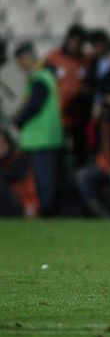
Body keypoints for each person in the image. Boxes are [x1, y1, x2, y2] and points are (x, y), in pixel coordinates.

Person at [12, 41, 64, 216]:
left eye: (20, 61)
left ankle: (47, 214)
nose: (20, 66)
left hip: (43, 138)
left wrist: (18, 120)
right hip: (43, 137)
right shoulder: (43, 76)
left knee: (44, 179)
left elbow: (34, 106)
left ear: (26, 58)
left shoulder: (40, 79)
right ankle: (46, 211)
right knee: (44, 179)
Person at [45, 24, 92, 167]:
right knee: (58, 154)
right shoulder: (54, 58)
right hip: (59, 114)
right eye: (73, 41)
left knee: (80, 152)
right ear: (68, 40)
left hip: (78, 115)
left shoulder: (85, 60)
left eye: (79, 42)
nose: (75, 45)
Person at [0, 127, 37, 216]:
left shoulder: (18, 161)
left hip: (17, 205)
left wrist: (30, 207)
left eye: (2, 143)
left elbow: (28, 186)